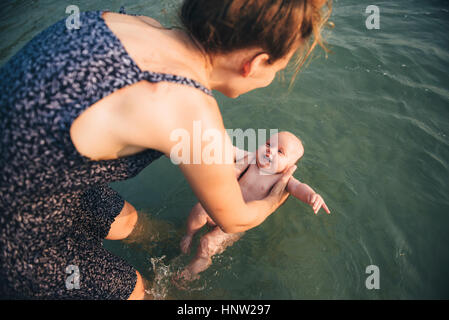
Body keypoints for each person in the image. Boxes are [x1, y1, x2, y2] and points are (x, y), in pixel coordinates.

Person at [0, 0, 332, 299]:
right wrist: (276, 196)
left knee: (124, 219)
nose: (273, 77)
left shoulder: (138, 25)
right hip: (16, 234)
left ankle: (168, 239)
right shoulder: (183, 105)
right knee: (133, 290)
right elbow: (234, 220)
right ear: (256, 63)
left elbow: (199, 141)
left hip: (37, 175)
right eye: (277, 69)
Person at [177, 131, 330, 282]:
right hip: (224, 205)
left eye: (280, 152)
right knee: (200, 209)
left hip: (241, 220)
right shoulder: (250, 158)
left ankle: (199, 262)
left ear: (289, 166)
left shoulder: (283, 180)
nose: (270, 150)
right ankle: (189, 234)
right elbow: (230, 150)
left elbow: (299, 188)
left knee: (207, 242)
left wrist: (312, 196)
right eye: (269, 144)